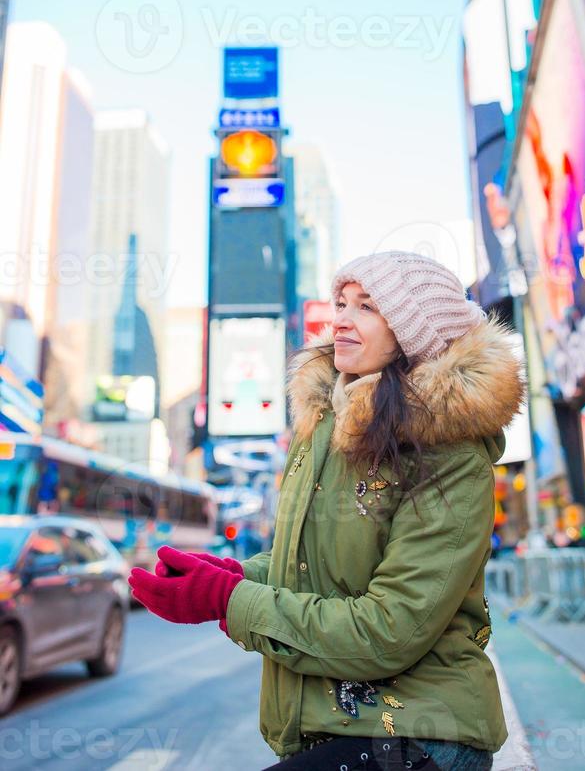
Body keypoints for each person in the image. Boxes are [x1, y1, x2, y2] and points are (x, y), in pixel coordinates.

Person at [129, 251, 524, 768]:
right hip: (337, 728)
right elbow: (308, 567)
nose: (339, 319)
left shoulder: (451, 455)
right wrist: (226, 576)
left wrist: (231, 600)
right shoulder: (321, 427)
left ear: (414, 332)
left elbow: (391, 629)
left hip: (423, 729)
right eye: (340, 303)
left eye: (366, 307)